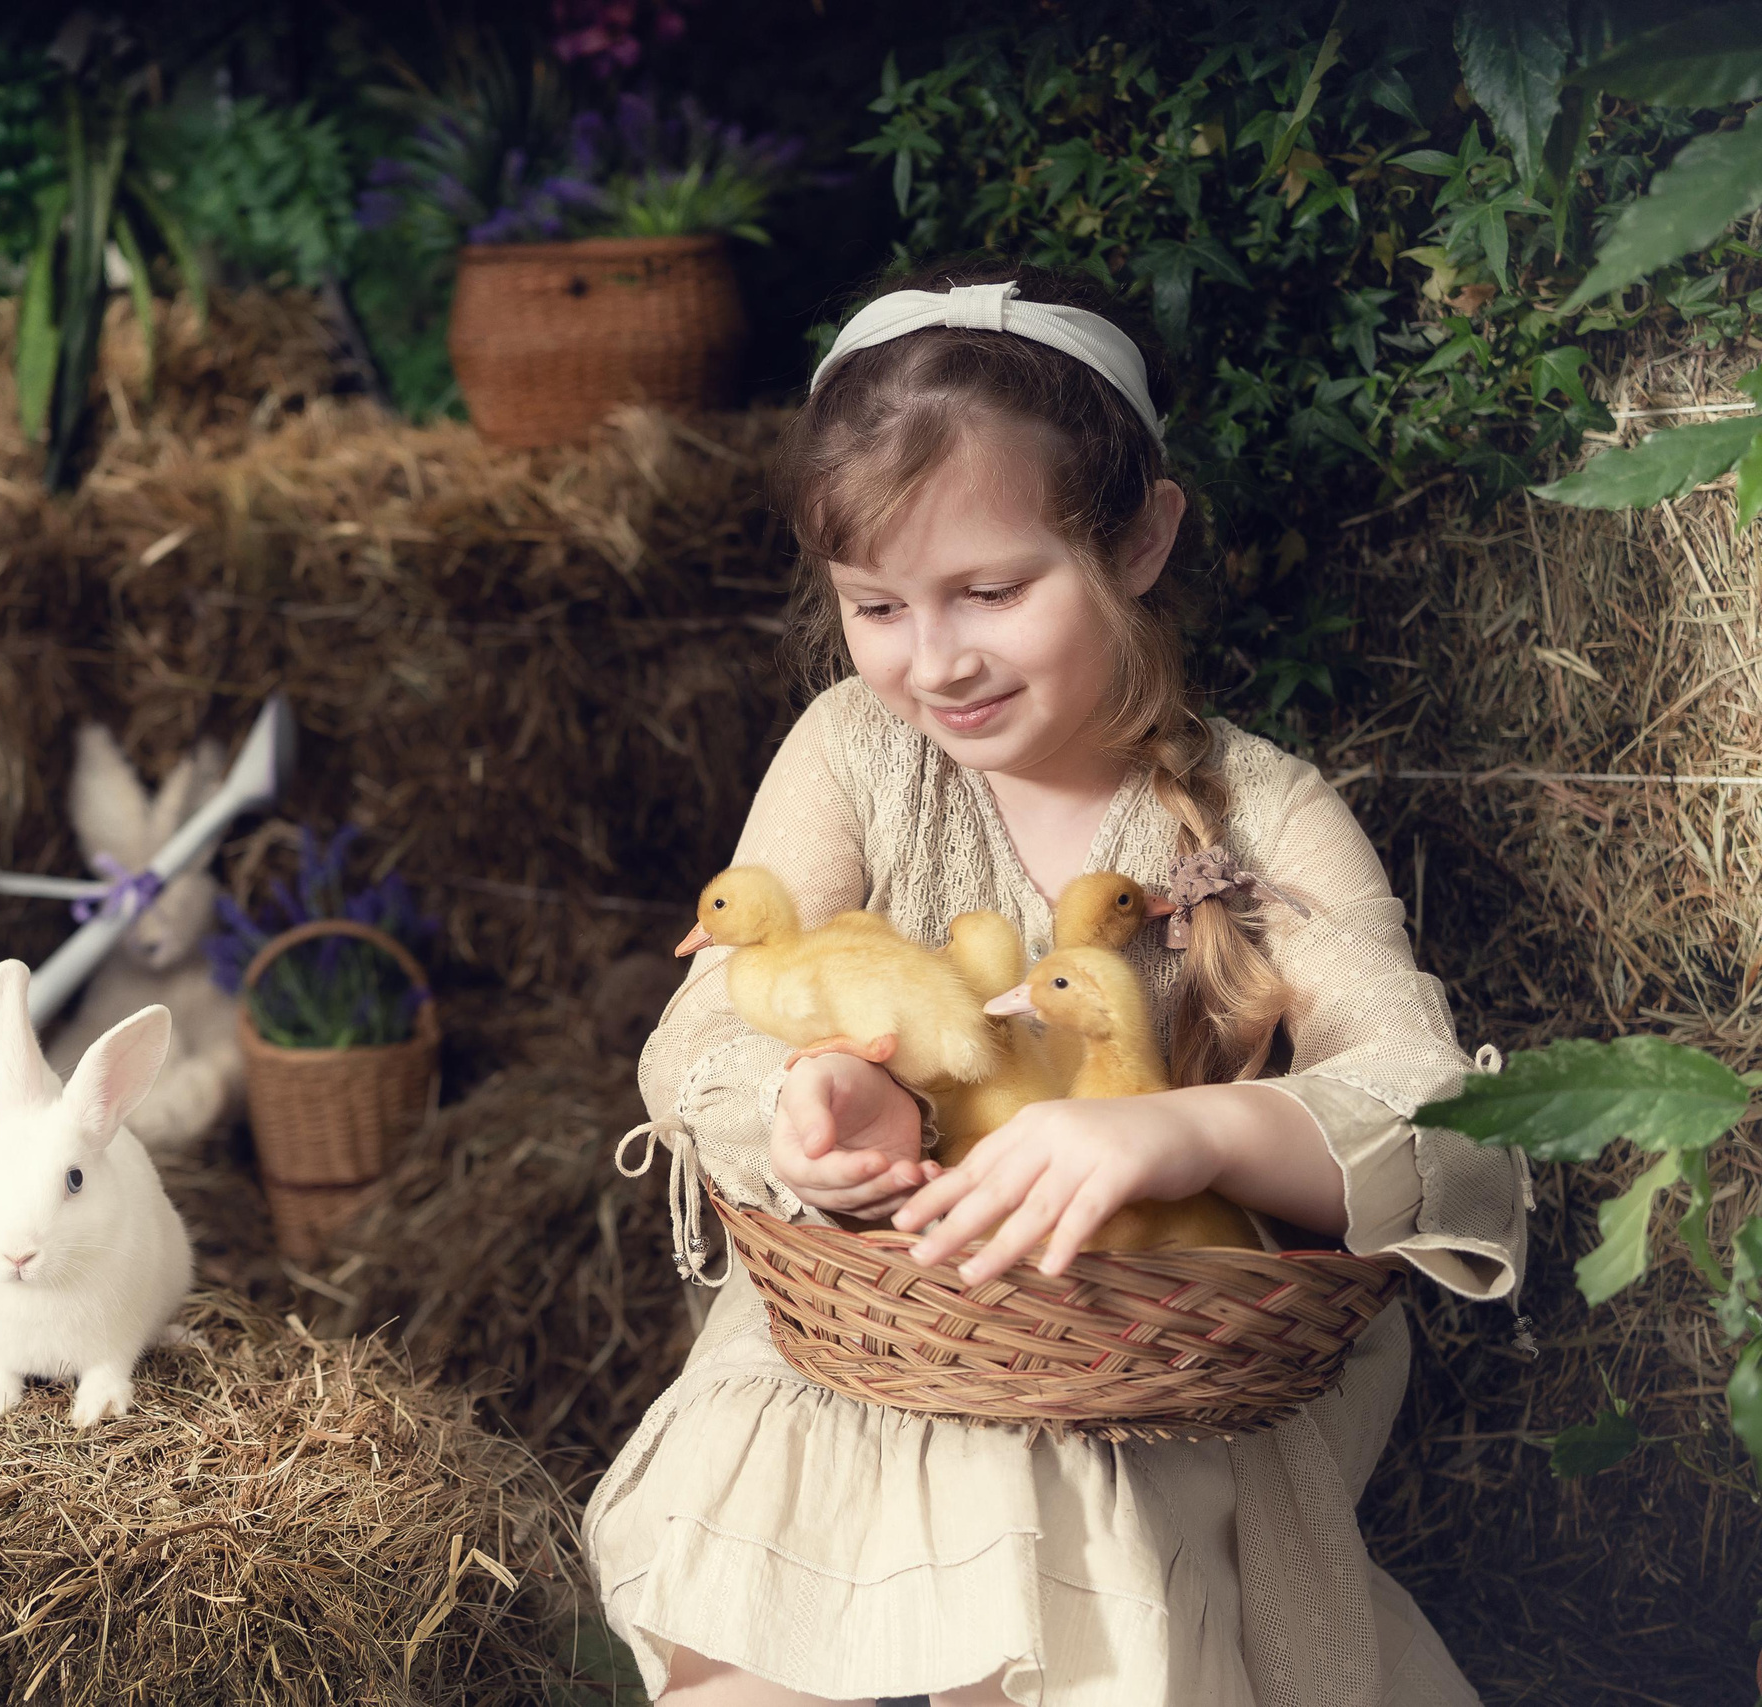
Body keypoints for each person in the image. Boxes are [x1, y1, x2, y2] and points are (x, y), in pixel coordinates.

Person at [589, 256, 1531, 1707]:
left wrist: (1184, 1130)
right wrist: (808, 1095)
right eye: (877, 606)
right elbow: (708, 1015)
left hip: (1149, 1375)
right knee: (744, 1660)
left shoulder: (1257, 809)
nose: (934, 660)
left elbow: (1440, 1115)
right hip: (878, 1341)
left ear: (1142, 541)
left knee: (1032, 1619)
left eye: (989, 590)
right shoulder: (854, 752)